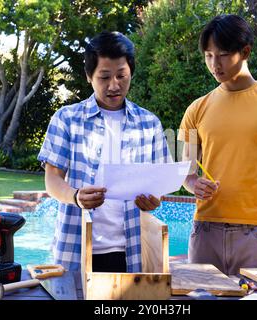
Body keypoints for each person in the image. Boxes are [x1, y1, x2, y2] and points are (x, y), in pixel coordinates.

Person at [178, 14, 257, 276]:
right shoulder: (196, 109)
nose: (214, 64)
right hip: (205, 232)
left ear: (245, 51)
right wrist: (193, 184)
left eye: (222, 54)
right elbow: (185, 172)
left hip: (255, 235)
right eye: (208, 55)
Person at [38, 31, 172, 273]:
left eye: (122, 76)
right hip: (76, 247)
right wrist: (76, 196)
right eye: (104, 77)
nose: (114, 85)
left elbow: (159, 185)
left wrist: (154, 200)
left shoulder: (149, 123)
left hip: (131, 251)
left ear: (131, 72)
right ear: (89, 76)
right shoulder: (67, 119)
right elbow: (52, 180)